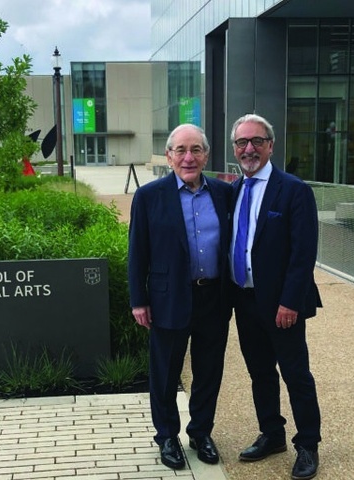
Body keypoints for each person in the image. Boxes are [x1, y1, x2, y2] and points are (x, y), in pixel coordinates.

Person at [128, 123, 233, 470]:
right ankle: (167, 437)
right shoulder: (149, 196)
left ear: (205, 155)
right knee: (165, 373)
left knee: (208, 372)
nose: (189, 157)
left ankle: (201, 432)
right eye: (181, 150)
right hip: (167, 299)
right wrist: (137, 299)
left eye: (196, 150)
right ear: (170, 155)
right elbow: (137, 252)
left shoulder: (223, 192)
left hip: (213, 299)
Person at [229, 113, 323, 480]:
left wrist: (290, 302)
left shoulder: (293, 190)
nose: (248, 148)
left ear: (270, 145)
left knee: (296, 374)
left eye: (256, 141)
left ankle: (308, 445)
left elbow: (303, 254)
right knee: (259, 372)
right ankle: (272, 434)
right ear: (235, 149)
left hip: (281, 305)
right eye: (242, 143)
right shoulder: (235, 189)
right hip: (245, 300)